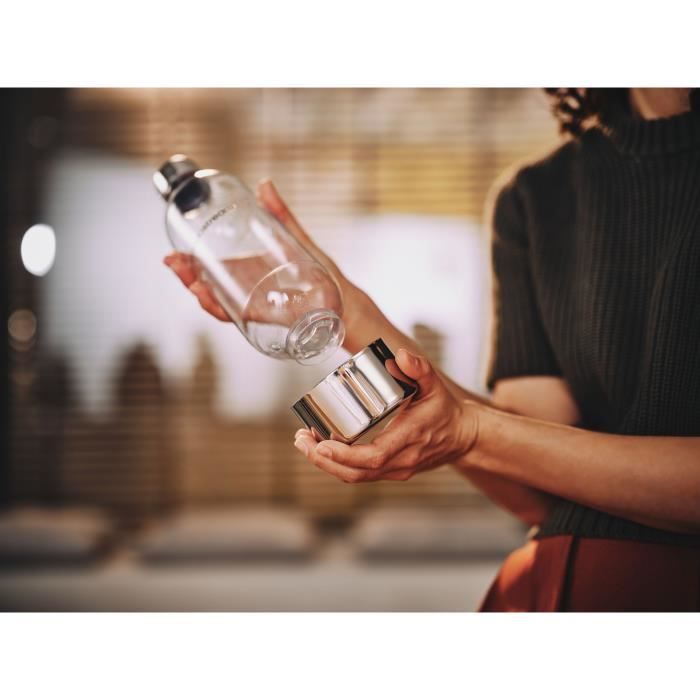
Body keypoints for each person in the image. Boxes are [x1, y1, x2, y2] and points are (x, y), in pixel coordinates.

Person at [164, 88, 700, 611]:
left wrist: (469, 430)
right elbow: (537, 485)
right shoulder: (536, 197)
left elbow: (486, 434)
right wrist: (350, 312)